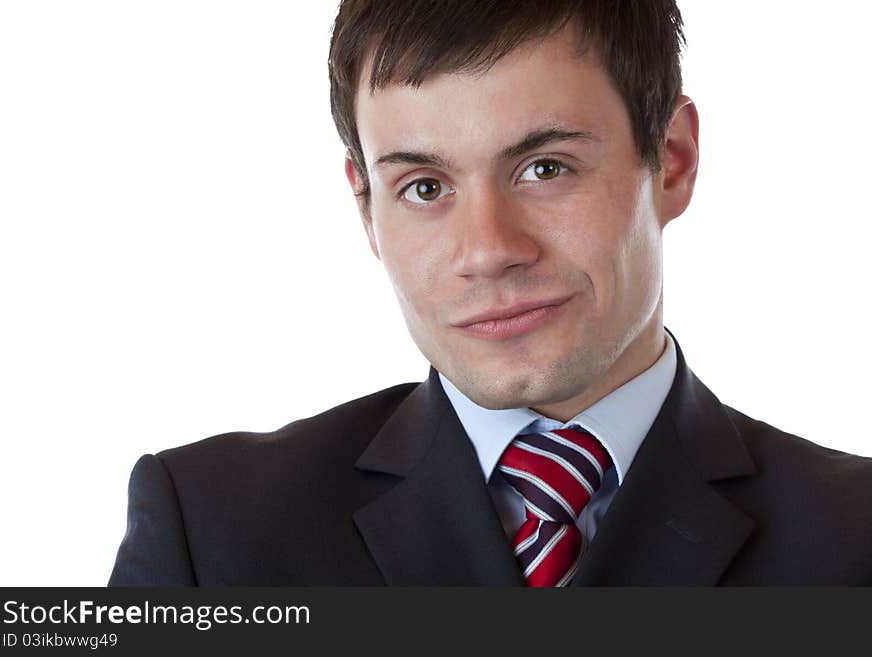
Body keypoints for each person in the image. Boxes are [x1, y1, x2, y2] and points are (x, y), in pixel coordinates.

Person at [109, 0, 872, 586]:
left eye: (545, 167)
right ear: (365, 206)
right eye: (425, 185)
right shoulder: (211, 533)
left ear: (671, 161)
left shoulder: (851, 537)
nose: (488, 250)